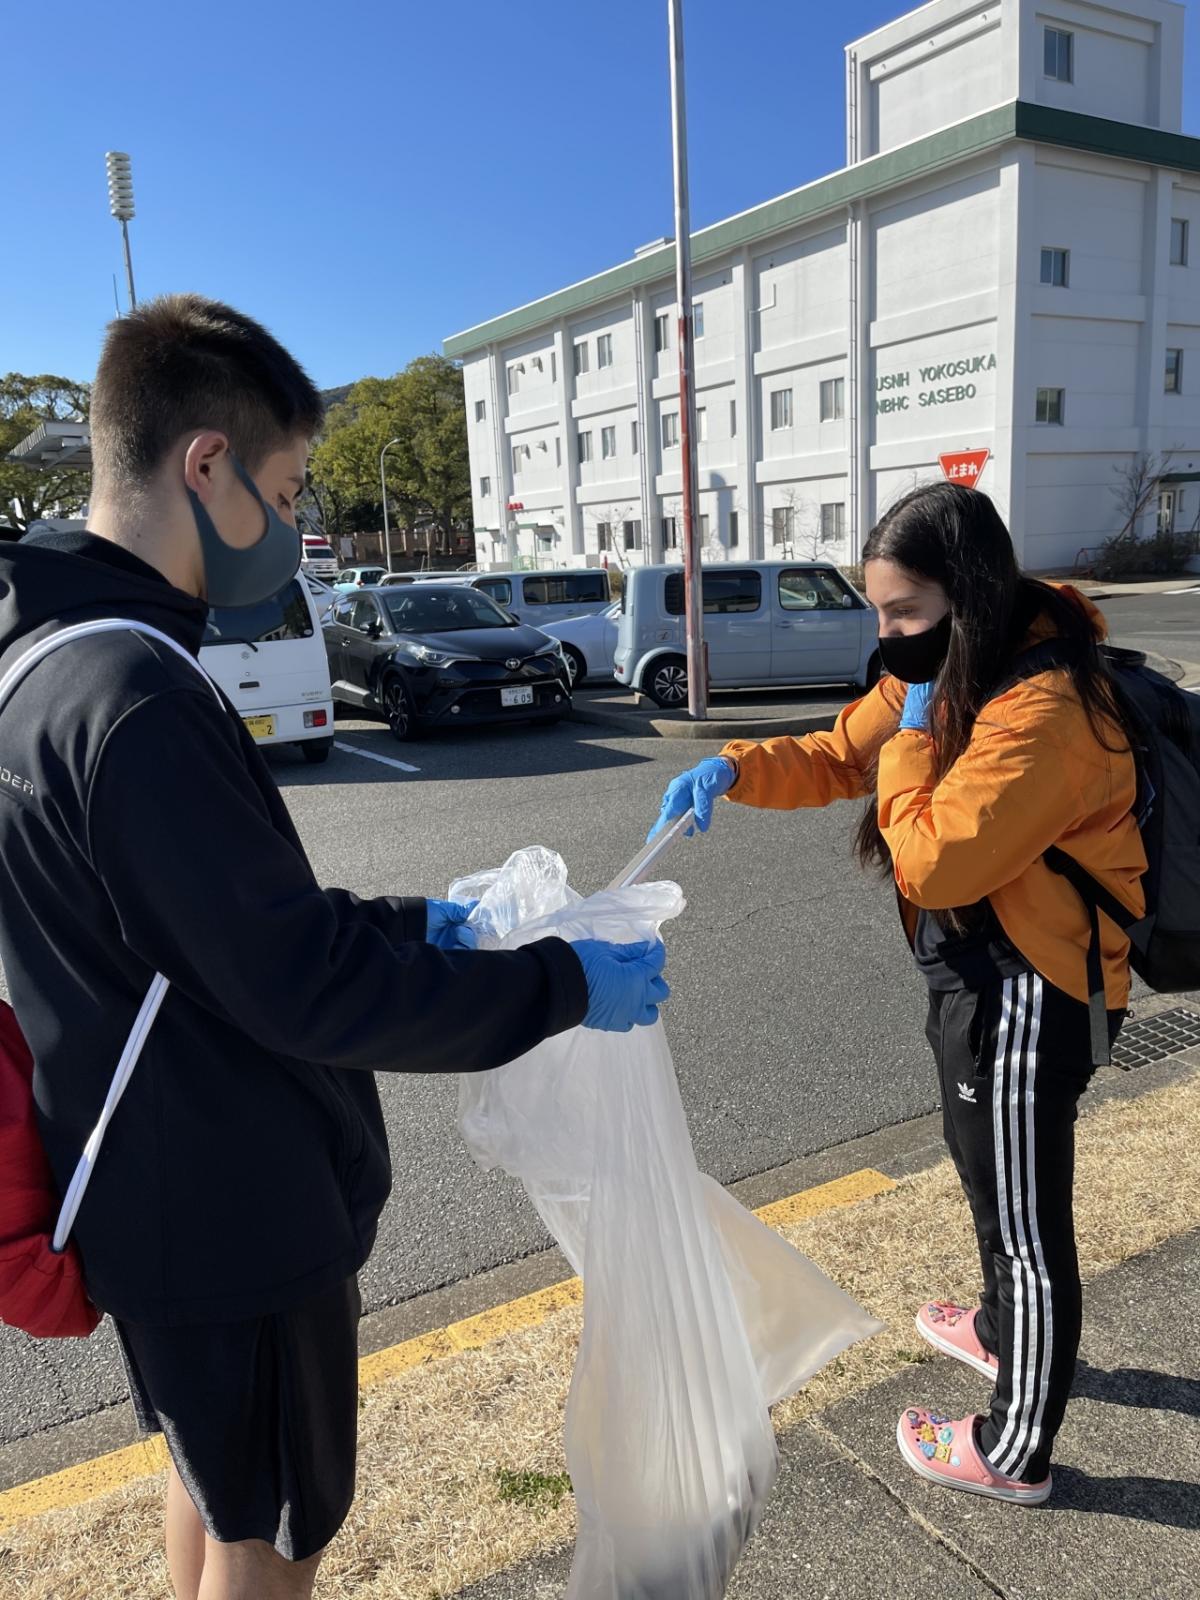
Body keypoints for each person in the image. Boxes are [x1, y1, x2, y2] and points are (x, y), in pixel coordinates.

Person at [0, 295, 668, 1600]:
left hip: (151, 1194)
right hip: (233, 1212)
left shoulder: (45, 665)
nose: (297, 528)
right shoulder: (135, 698)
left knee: (211, 1486)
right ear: (207, 465)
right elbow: (294, 985)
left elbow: (220, 938)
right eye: (290, 488)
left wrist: (430, 923)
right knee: (275, 1537)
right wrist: (557, 982)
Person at [651, 483, 1145, 1506]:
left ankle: (1016, 1451)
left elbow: (935, 860)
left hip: (1035, 988)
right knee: (988, 1173)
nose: (887, 637)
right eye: (876, 613)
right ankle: (1006, 1333)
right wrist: (734, 767)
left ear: (970, 597)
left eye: (905, 614)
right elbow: (841, 753)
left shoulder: (1044, 707)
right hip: (979, 970)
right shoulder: (954, 663)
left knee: (1025, 1218)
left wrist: (915, 731)